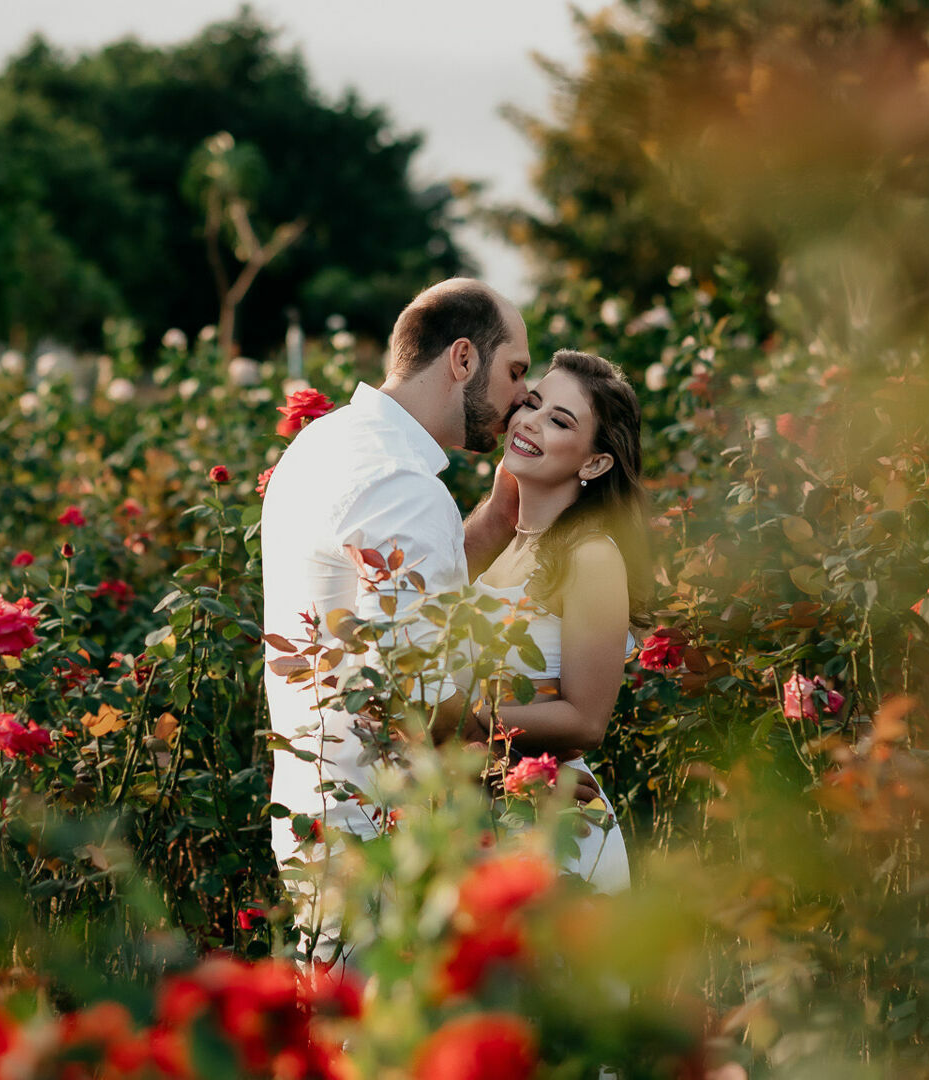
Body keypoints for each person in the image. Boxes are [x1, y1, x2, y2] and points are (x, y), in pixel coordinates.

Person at [259, 278, 533, 951]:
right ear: (463, 359)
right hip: (377, 830)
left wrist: (498, 520)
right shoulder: (402, 485)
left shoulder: (327, 444)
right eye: (515, 371)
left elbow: (390, 605)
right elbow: (423, 692)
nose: (522, 397)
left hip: (318, 806)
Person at [467, 349, 652, 892]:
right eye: (533, 403)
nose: (529, 422)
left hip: (558, 828)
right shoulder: (501, 548)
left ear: (594, 463)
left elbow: (586, 721)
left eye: (559, 421)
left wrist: (470, 717)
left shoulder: (591, 555)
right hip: (488, 806)